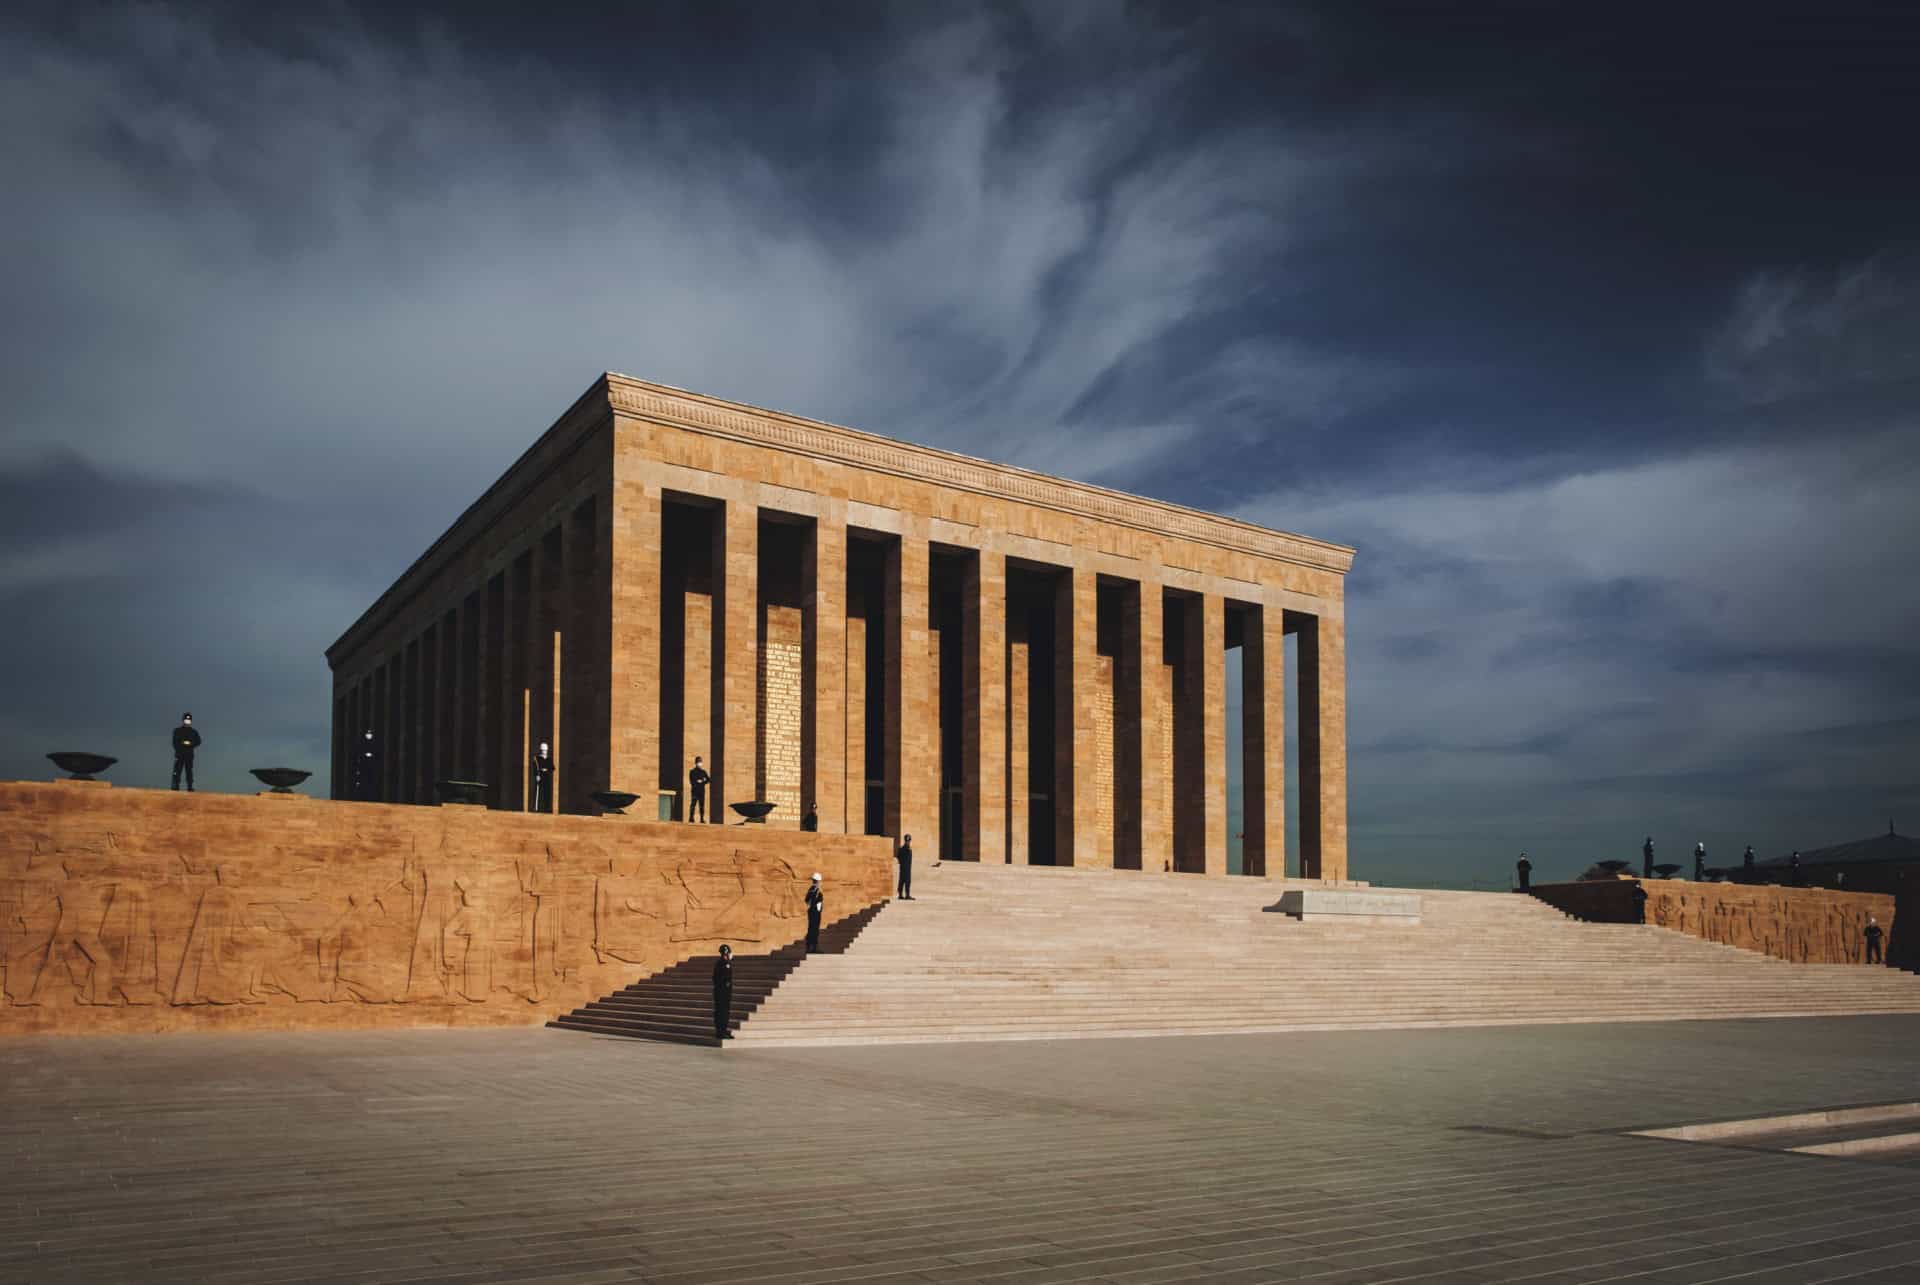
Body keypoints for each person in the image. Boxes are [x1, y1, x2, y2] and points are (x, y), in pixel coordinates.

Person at [170, 712, 202, 791]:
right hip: (180, 754)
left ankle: (190, 786)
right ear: (183, 720)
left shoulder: (193, 732)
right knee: (177, 770)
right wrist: (181, 745)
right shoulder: (178, 731)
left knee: (189, 771)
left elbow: (198, 741)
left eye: (189, 721)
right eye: (186, 720)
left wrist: (191, 744)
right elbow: (174, 742)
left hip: (189, 755)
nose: (187, 722)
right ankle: (175, 785)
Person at [711, 944, 733, 1042]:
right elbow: (727, 978)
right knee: (723, 1012)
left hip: (719, 991)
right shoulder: (726, 963)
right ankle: (721, 1031)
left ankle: (720, 1031)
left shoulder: (718, 963)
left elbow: (714, 978)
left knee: (720, 1011)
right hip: (723, 992)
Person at [529, 741, 555, 813]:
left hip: (546, 777)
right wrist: (537, 775)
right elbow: (535, 767)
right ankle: (538, 808)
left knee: (547, 792)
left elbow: (552, 768)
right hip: (540, 777)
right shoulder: (537, 758)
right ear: (541, 750)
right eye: (543, 750)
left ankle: (547, 808)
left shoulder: (549, 759)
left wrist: (546, 769)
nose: (544, 751)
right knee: (539, 792)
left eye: (545, 750)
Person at [354, 730, 379, 801]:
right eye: (367, 734)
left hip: (371, 767)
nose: (369, 735)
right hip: (363, 766)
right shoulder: (362, 744)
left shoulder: (374, 744)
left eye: (370, 734)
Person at [805, 873, 824, 953]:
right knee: (814, 929)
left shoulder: (811, 889)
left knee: (811, 928)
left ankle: (810, 946)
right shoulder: (816, 890)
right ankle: (813, 947)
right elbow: (818, 902)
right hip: (815, 912)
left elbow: (806, 900)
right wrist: (818, 909)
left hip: (811, 911)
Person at [687, 756, 709, 823]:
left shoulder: (703, 772)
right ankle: (691, 818)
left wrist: (702, 782)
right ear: (696, 763)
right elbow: (691, 781)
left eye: (700, 762)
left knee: (701, 805)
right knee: (693, 804)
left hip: (702, 791)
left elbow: (708, 779)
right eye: (698, 762)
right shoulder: (692, 771)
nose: (699, 763)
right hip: (695, 791)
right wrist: (697, 782)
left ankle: (702, 819)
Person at [896, 834, 914, 900]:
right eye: (907, 841)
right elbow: (898, 857)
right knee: (903, 881)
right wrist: (901, 863)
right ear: (905, 841)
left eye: (909, 841)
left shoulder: (908, 849)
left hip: (907, 868)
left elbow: (898, 857)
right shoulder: (903, 849)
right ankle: (901, 895)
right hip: (904, 867)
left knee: (906, 881)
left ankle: (906, 895)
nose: (908, 842)